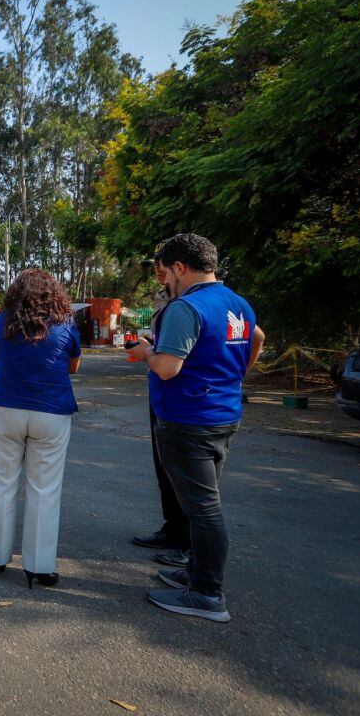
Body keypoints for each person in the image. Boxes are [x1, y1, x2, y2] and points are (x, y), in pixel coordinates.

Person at [127, 234, 265, 622]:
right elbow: (257, 338)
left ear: (181, 268)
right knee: (202, 503)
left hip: (188, 418)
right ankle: (195, 573)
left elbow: (168, 367)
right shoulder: (237, 302)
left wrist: (145, 352)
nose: (164, 280)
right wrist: (234, 376)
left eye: (166, 272)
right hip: (223, 413)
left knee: (204, 509)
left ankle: (207, 593)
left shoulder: (186, 307)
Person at [0, 269, 81, 588]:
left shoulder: (0, 321)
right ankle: (39, 566)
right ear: (54, 293)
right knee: (45, 489)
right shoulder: (65, 323)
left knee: (2, 483)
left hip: (5, 408)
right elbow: (73, 366)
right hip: (51, 411)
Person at [131, 255, 191, 565]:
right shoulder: (167, 297)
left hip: (186, 401)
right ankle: (173, 530)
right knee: (165, 469)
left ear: (180, 268)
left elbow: (255, 337)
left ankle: (189, 548)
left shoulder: (193, 303)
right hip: (163, 397)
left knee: (190, 484)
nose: (159, 276)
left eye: (163, 270)